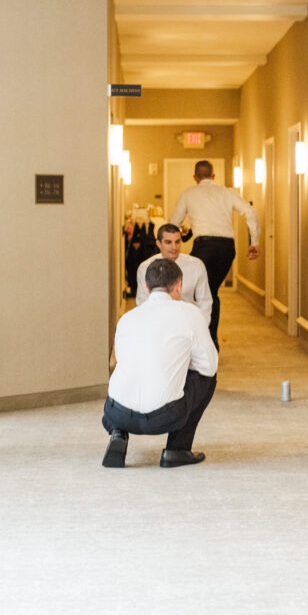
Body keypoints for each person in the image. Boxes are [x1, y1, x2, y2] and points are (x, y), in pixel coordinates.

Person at [101, 259, 218, 469]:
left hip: (116, 413)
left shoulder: (127, 318)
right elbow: (209, 366)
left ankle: (118, 433)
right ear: (179, 285)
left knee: (127, 377)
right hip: (165, 418)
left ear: (146, 287)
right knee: (209, 378)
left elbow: (123, 360)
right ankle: (177, 449)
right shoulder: (190, 313)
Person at [170, 160, 260, 347]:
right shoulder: (227, 193)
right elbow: (250, 212)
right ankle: (210, 339)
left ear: (195, 177)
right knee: (210, 292)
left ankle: (203, 340)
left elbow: (173, 223)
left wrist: (178, 236)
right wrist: (254, 242)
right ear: (213, 176)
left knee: (199, 293)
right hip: (227, 249)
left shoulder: (188, 194)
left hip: (204, 248)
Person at [136, 223, 213, 325]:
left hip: (187, 322)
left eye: (177, 242)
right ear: (159, 244)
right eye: (168, 242)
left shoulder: (196, 265)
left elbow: (205, 302)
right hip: (157, 323)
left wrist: (201, 327)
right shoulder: (145, 268)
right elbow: (142, 303)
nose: (174, 247)